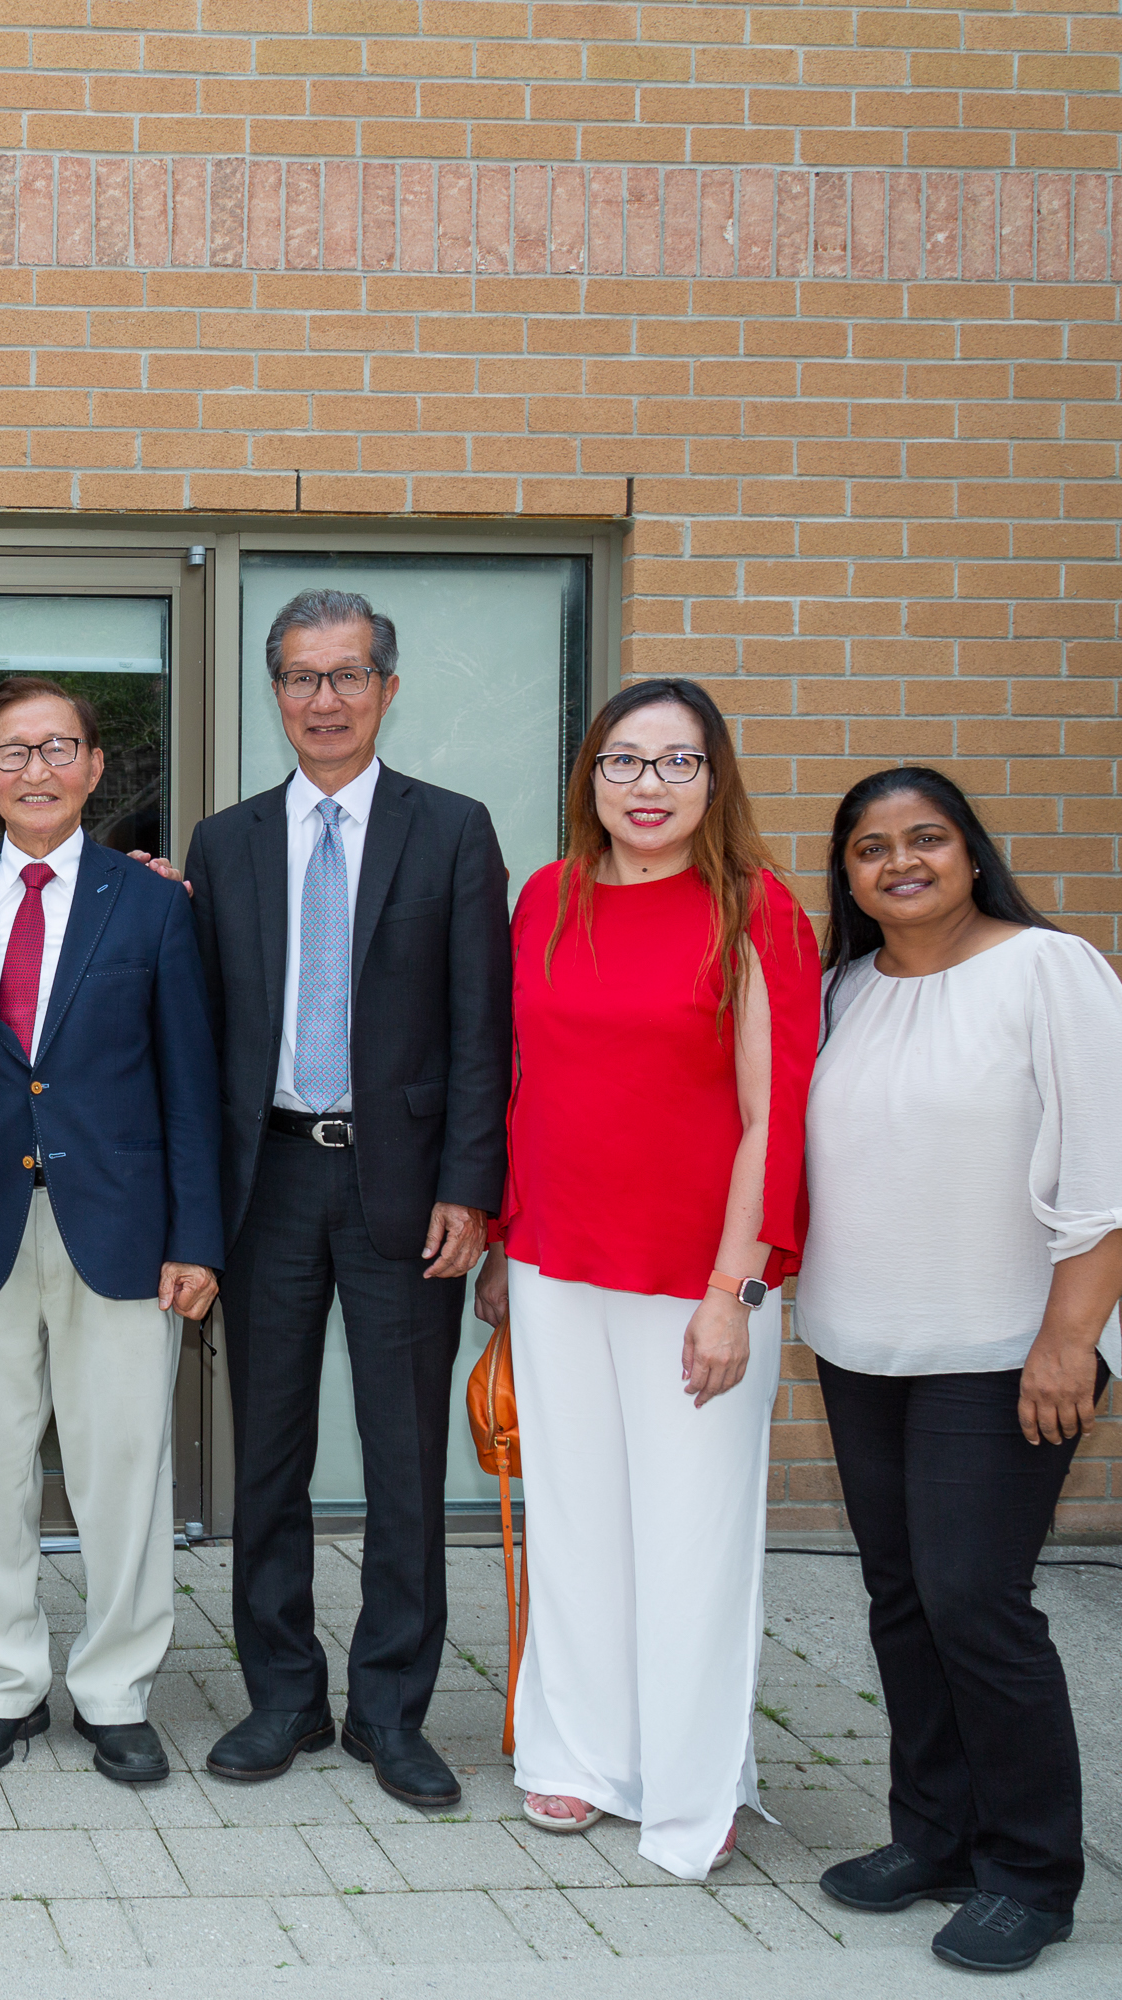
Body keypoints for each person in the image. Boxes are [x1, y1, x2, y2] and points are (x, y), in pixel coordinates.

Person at [797, 767, 1122, 1974]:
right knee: (904, 1598)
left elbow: (1120, 1178)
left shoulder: (1049, 970)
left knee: (975, 1599)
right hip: (862, 1344)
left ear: (970, 851)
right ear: (848, 873)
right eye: (871, 847)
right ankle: (936, 1836)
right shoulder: (842, 990)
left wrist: (1069, 1338)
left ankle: (1031, 1871)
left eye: (926, 838)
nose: (900, 861)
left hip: (1007, 1350)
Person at [470, 675, 819, 1881]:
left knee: (690, 1535)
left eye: (677, 762)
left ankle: (690, 1783)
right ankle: (577, 1752)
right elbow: (526, 1084)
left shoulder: (757, 908)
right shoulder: (546, 898)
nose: (649, 785)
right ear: (591, 778)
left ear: (714, 778)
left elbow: (774, 1115)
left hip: (696, 1277)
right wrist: (506, 1243)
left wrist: (735, 1289)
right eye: (624, 760)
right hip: (556, 1261)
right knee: (576, 1520)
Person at [177, 590, 513, 1812]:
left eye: (348, 675)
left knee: (404, 1458)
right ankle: (283, 1695)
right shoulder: (225, 842)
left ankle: (389, 1709)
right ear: (275, 692)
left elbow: (483, 1026)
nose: (325, 699)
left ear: (387, 689)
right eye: (302, 678)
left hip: (405, 1189)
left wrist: (471, 1187)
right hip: (265, 1181)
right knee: (266, 1455)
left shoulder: (453, 830)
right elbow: (200, 1028)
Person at [0, 676, 224, 1786]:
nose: (37, 769)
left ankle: (117, 1691)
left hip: (120, 1231)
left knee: (124, 1471)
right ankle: (0, 1685)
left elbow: (190, 1085)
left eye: (59, 747)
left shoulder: (153, 906)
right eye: (13, 752)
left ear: (94, 766)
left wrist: (198, 1238)